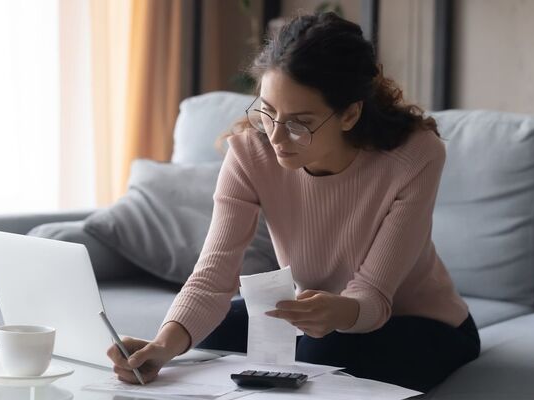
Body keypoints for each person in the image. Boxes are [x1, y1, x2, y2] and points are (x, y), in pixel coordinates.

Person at [107, 12, 480, 392]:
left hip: (417, 319)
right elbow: (212, 279)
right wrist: (162, 346)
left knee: (325, 353)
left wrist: (339, 311)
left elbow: (373, 296)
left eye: (300, 123)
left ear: (350, 113)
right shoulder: (251, 154)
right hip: (316, 318)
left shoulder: (413, 155)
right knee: (210, 335)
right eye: (268, 113)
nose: (277, 137)